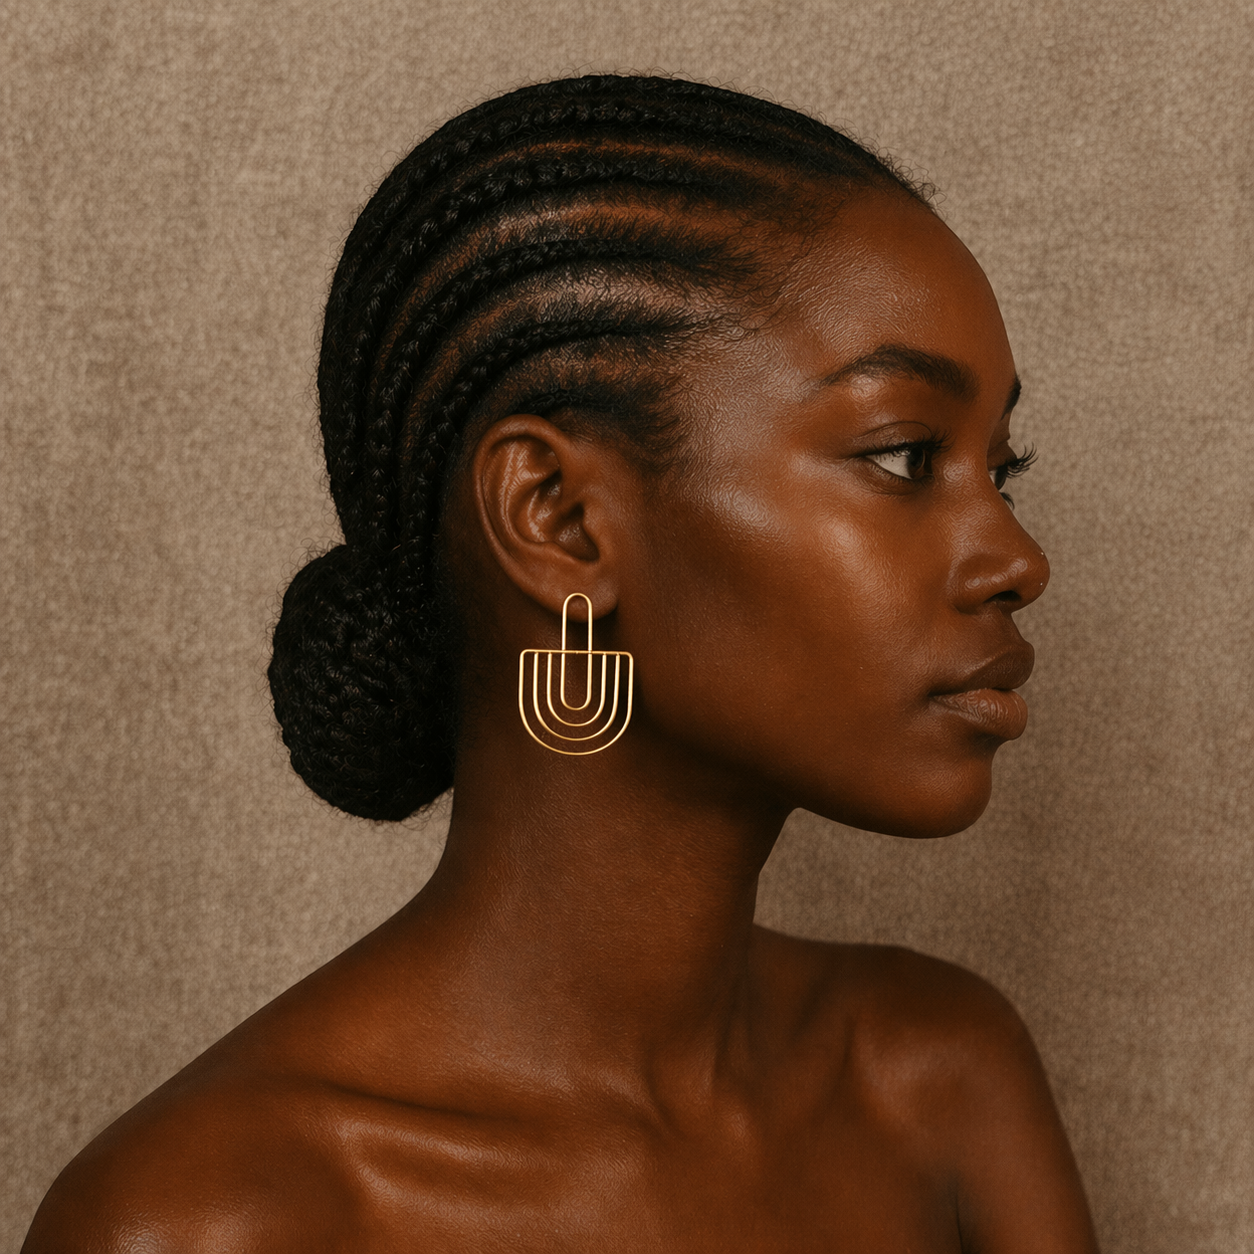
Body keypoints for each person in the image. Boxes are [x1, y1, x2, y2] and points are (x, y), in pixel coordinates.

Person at [24, 74, 1099, 1252]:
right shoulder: (210, 1222)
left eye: (1005, 467)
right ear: (560, 520)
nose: (1016, 558)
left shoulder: (939, 1082)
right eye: (904, 457)